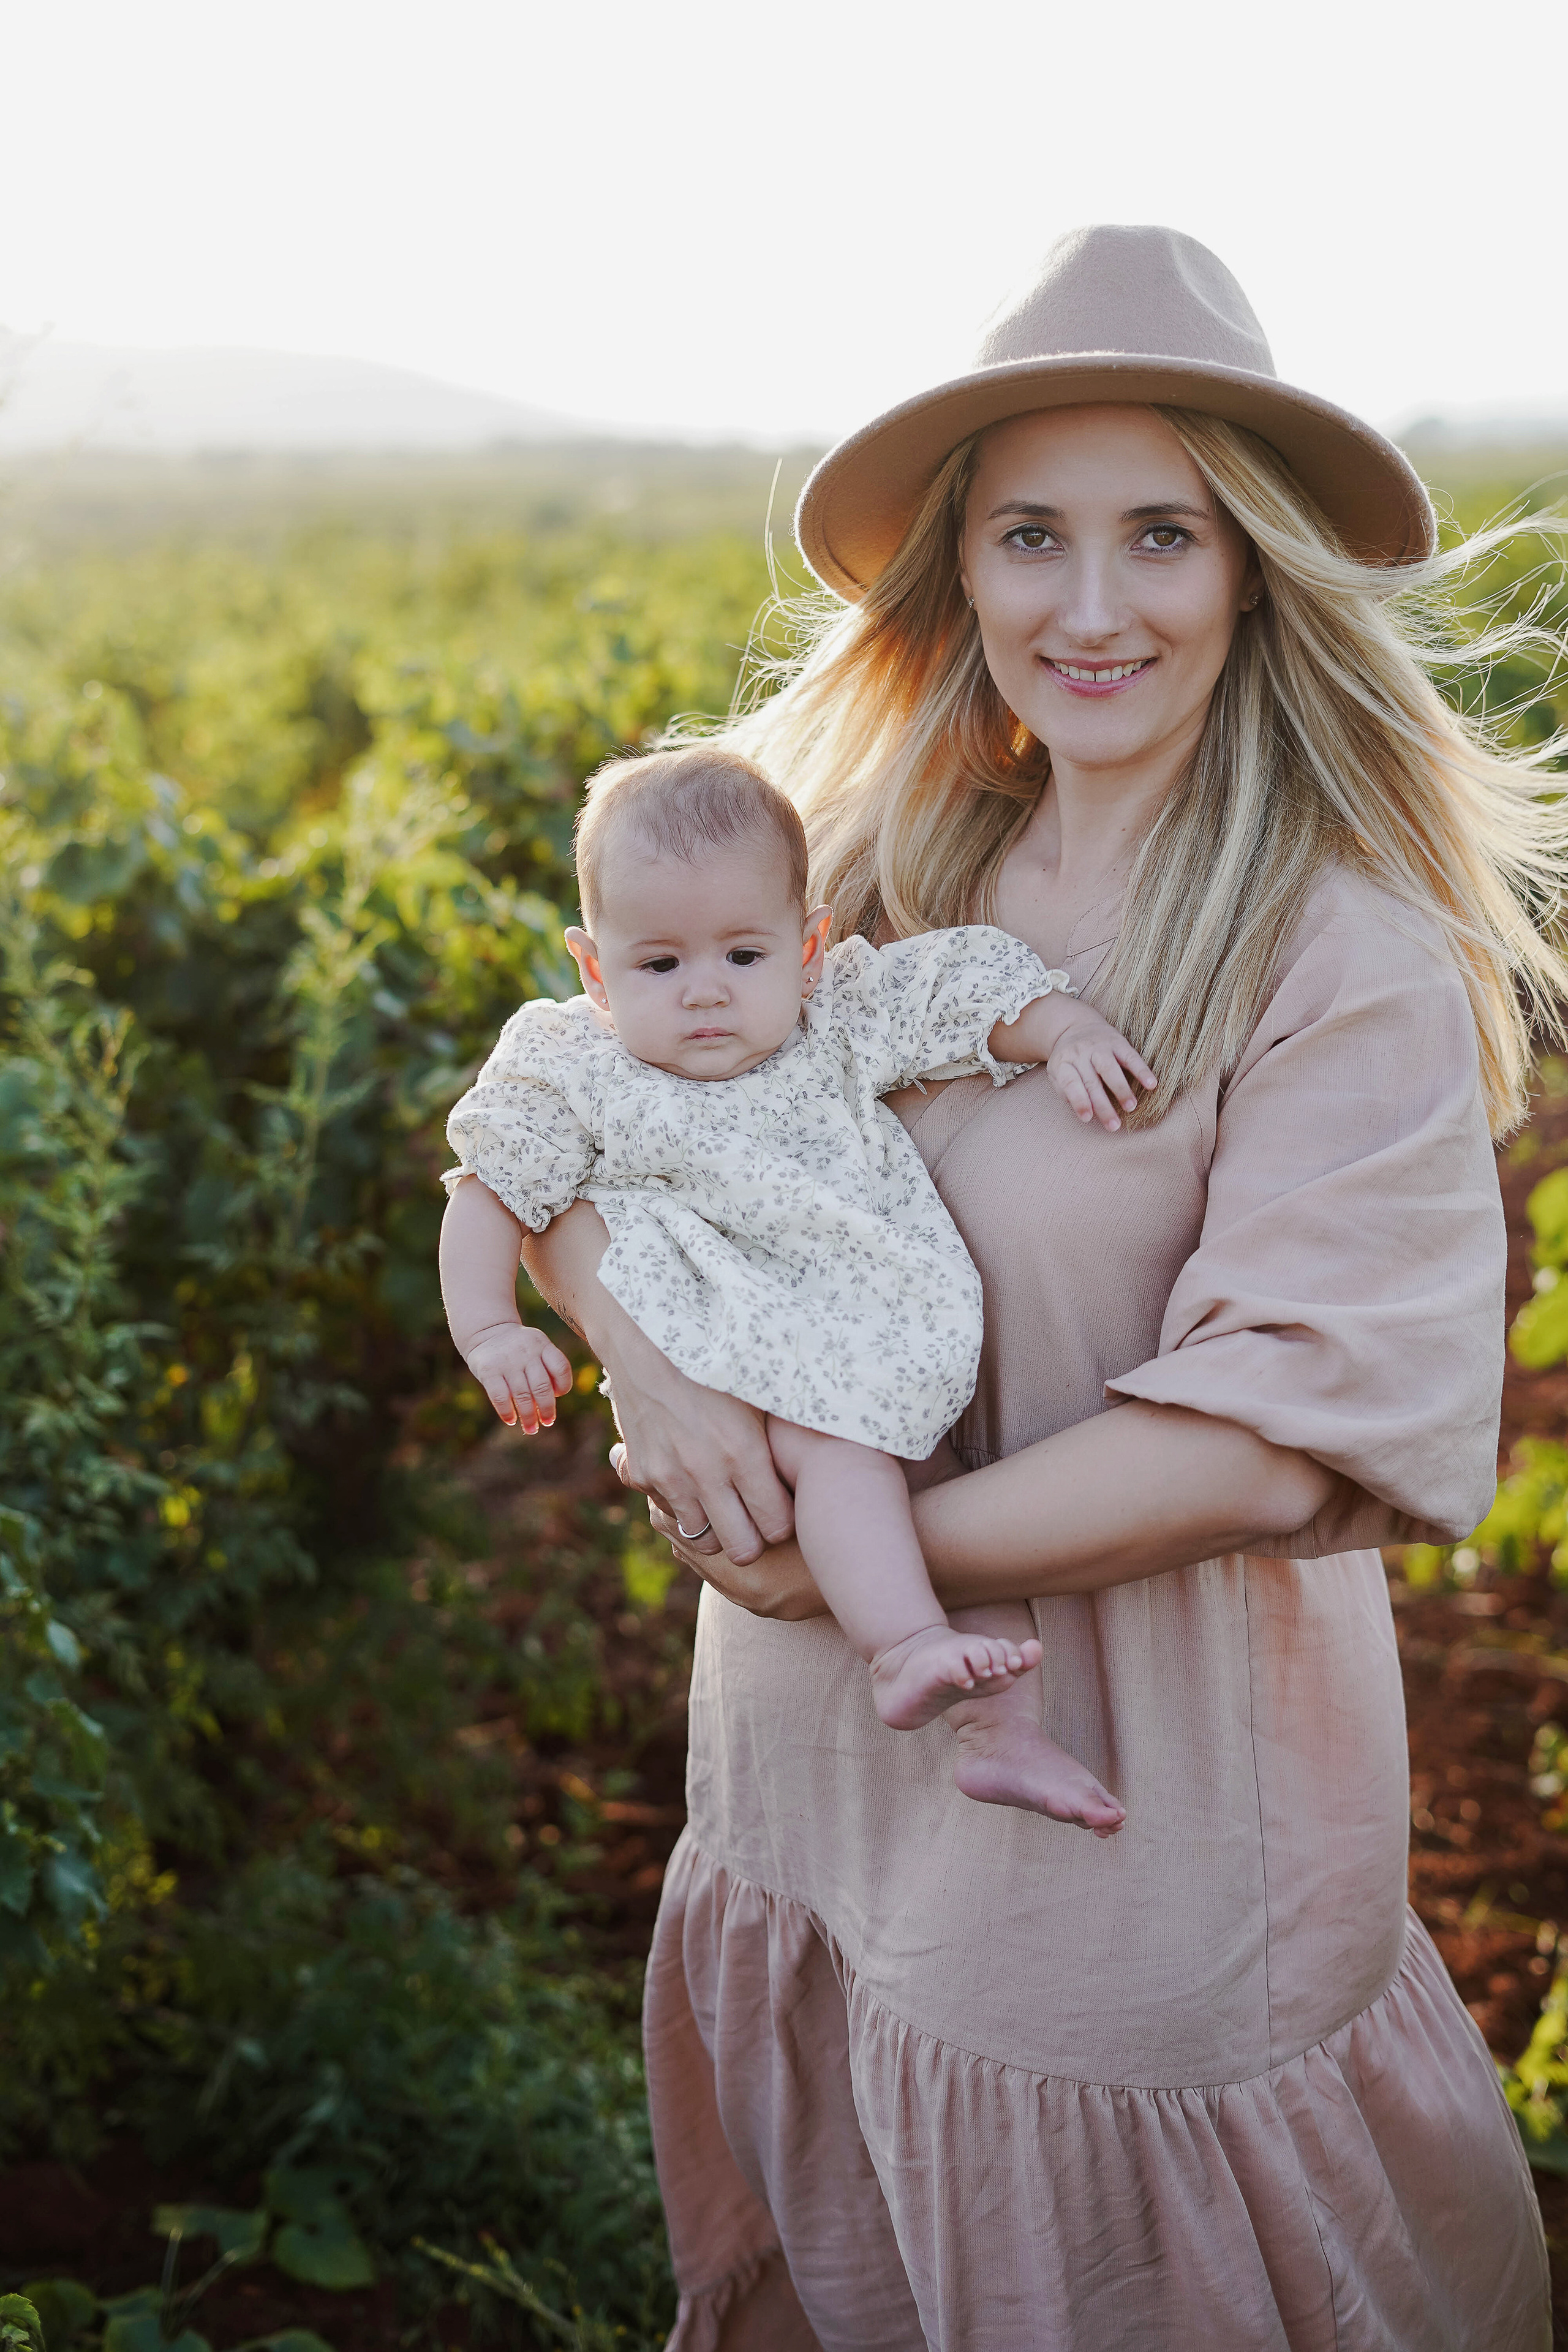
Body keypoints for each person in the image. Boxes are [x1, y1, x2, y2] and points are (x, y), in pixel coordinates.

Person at [521, 225, 1567, 2347]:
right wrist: (653, 1363)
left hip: (1128, 1809)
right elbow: (545, 1127)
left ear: (1253, 569)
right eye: (1033, 538)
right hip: (821, 1767)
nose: (1093, 608)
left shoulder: (1336, 950)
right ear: (962, 576)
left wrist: (852, 1555)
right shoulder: (882, 877)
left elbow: (1272, 1446)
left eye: (1160, 534)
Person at [439, 745, 1150, 1826]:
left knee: (938, 1475)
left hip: (866, 1336)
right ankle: (904, 1648)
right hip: (736, 1353)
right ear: (594, 970)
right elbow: (489, 1192)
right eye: (660, 967)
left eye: (742, 953)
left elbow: (957, 999)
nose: (707, 992)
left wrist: (1065, 1031)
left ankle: (1002, 1729)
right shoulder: (578, 1069)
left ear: (809, 947)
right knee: (847, 1455)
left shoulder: (833, 1021)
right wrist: (490, 1329)